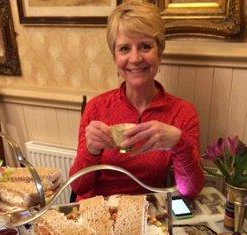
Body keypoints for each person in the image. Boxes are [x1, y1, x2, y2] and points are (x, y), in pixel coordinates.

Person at [70, 1, 204, 200]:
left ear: (159, 52)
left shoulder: (183, 113)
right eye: (124, 48)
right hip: (97, 214)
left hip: (148, 216)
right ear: (115, 57)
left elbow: (190, 190)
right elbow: (79, 187)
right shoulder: (96, 107)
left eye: (145, 46)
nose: (135, 58)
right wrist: (91, 150)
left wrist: (179, 142)